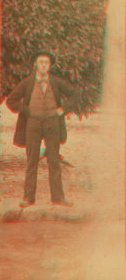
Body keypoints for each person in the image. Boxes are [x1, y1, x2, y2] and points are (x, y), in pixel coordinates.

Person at [6, 50, 80, 208]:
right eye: (41, 62)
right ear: (35, 64)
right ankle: (28, 198)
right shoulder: (27, 82)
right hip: (33, 123)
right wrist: (26, 111)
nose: (44, 65)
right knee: (32, 160)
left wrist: (63, 109)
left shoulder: (57, 82)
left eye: (46, 62)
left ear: (50, 65)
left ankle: (58, 197)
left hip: (52, 123)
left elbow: (75, 94)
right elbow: (11, 100)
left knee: (54, 160)